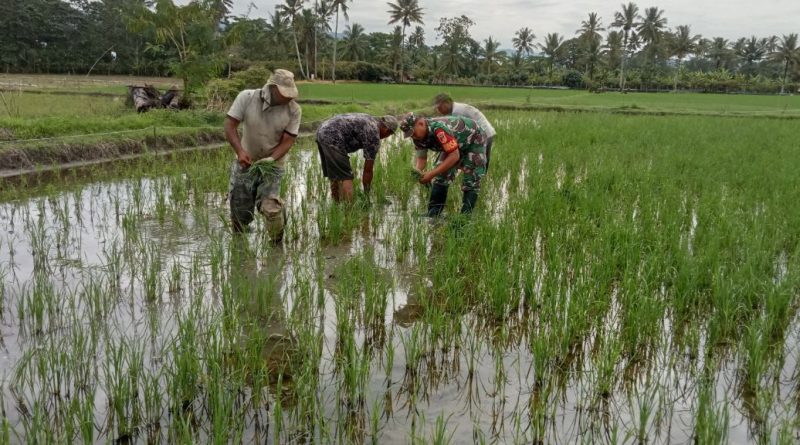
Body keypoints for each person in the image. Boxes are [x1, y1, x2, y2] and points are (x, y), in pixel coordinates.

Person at [224, 69, 302, 238]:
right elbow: (230, 126)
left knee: (270, 207)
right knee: (239, 210)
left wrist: (271, 159)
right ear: (272, 88)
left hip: (273, 164)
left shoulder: (294, 109)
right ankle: (240, 249)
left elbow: (288, 140)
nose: (289, 98)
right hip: (245, 160)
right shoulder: (247, 97)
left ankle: (276, 247)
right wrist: (240, 151)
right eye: (284, 93)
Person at [401, 114, 487, 216]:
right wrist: (418, 172)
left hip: (474, 138)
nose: (413, 136)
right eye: (410, 135)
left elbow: (454, 156)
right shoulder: (418, 137)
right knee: (441, 176)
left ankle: (465, 217)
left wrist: (430, 174)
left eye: (413, 133)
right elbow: (422, 158)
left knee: (471, 179)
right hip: (453, 144)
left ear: (421, 123)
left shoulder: (439, 129)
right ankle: (434, 213)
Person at [316, 113, 398, 202]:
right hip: (333, 137)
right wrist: (367, 196)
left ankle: (336, 204)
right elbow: (368, 171)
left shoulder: (370, 119)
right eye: (389, 135)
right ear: (387, 130)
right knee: (346, 176)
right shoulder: (373, 134)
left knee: (335, 173)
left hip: (321, 131)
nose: (385, 137)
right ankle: (350, 210)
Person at [432, 93, 496, 171]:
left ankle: (479, 178)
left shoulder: (457, 112)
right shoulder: (456, 109)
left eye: (440, 107)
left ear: (447, 102)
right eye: (437, 109)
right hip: (482, 133)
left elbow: (456, 135)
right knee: (476, 160)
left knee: (479, 161)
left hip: (484, 133)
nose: (439, 111)